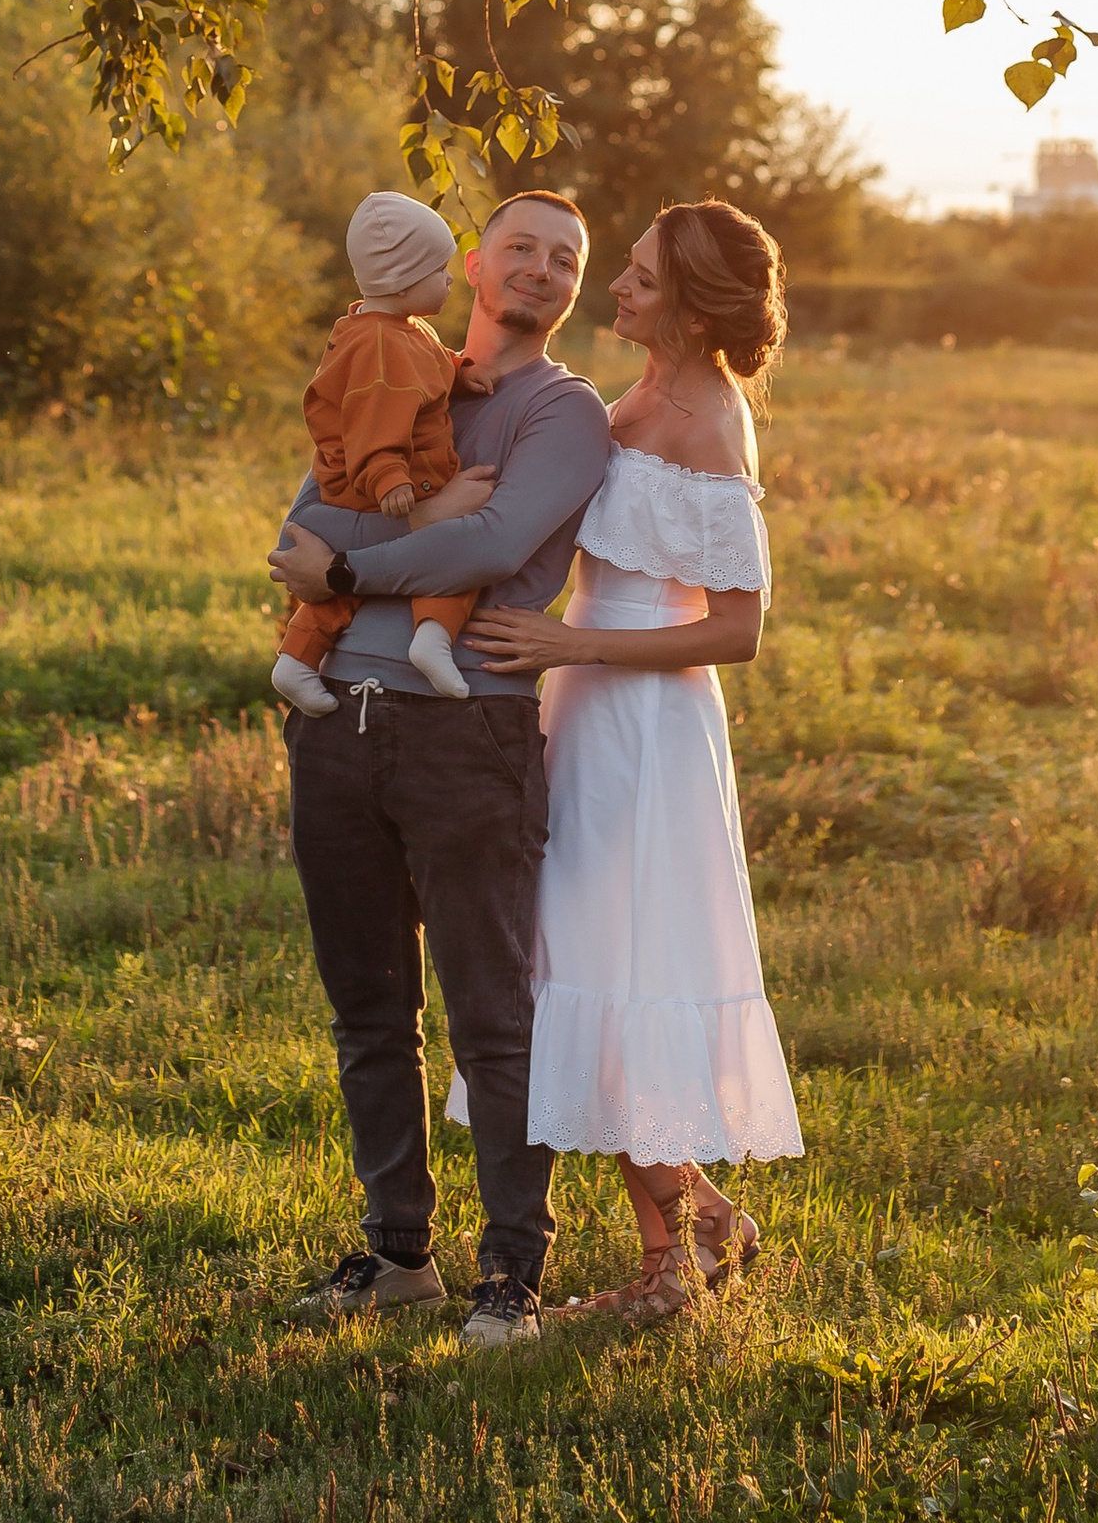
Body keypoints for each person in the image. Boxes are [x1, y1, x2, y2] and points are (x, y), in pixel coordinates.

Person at [267, 188, 610, 1351]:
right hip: (337, 731)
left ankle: (510, 1275)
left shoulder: (564, 411)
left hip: (469, 735)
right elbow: (298, 530)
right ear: (473, 262)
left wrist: (346, 575)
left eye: (565, 259)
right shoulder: (384, 358)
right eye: (522, 247)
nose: (542, 269)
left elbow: (493, 542)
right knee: (369, 1010)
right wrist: (363, 549)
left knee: (491, 1014)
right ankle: (396, 1254)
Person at [465, 199, 802, 1325]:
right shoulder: (635, 396)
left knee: (617, 975)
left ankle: (674, 1262)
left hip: (649, 730)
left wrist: (574, 643)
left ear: (695, 309)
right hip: (584, 706)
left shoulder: (712, 426)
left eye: (644, 278)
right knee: (579, 970)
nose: (617, 285)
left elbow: (738, 630)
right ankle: (698, 1228)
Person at [272, 190, 484, 713]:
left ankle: (297, 659)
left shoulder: (394, 328)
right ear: (402, 279)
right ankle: (433, 636)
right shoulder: (381, 348)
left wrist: (459, 371)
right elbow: (372, 418)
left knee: (346, 582)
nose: (450, 280)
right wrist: (387, 475)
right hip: (387, 483)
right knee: (453, 554)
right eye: (439, 270)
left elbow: (426, 364)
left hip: (379, 480)